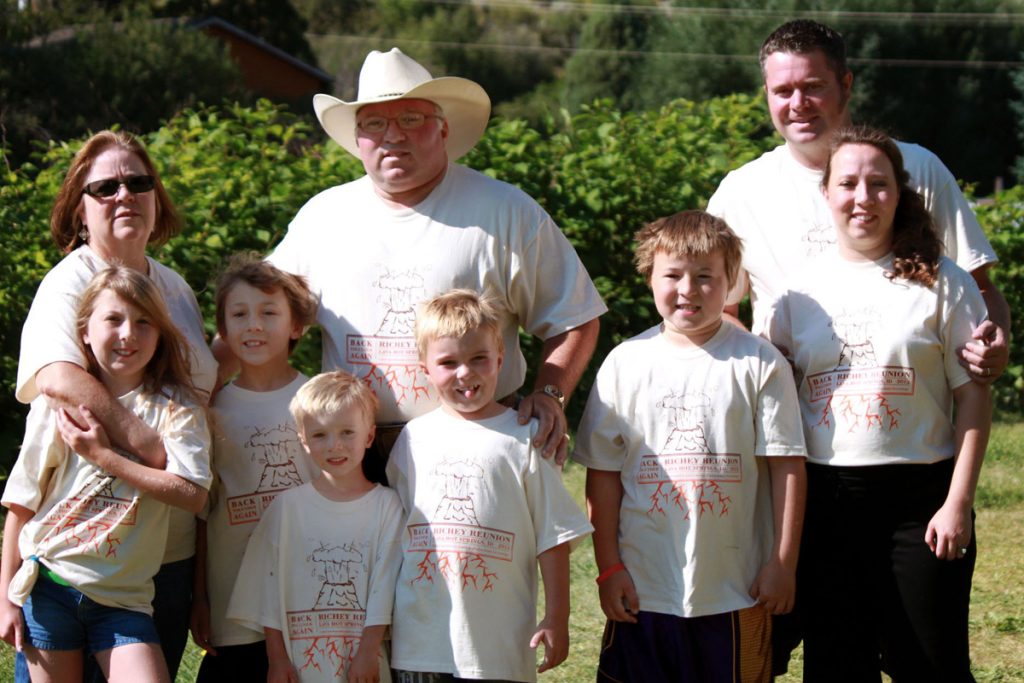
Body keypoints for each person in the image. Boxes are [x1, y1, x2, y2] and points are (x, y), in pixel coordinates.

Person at [261, 47, 606, 478]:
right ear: (357, 137)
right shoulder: (322, 217)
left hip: (481, 440)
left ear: (442, 129)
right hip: (352, 454)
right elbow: (262, 314)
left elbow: (575, 316)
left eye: (410, 119)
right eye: (374, 123)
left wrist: (550, 392)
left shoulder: (505, 211)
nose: (393, 135)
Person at [766, 127, 990, 681]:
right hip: (828, 504)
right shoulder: (794, 296)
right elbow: (774, 412)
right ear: (827, 194)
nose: (863, 197)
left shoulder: (945, 281)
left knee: (930, 666)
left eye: (878, 183)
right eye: (848, 183)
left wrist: (957, 503)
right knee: (838, 666)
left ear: (899, 192)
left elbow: (973, 396)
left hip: (923, 505)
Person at [11, 130, 218, 680]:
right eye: (105, 187)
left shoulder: (173, 288)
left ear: (157, 198)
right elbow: (57, 376)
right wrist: (147, 444)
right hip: (77, 560)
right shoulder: (70, 283)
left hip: (161, 555)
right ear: (80, 210)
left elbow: (193, 386)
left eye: (138, 182)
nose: (124, 195)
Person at [707, 19, 1009, 385]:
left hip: (907, 416)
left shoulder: (918, 168)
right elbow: (720, 311)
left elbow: (979, 289)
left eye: (813, 87)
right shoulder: (741, 192)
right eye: (783, 91)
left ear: (846, 84)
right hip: (786, 414)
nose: (798, 104)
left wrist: (993, 340)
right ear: (766, 94)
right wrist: (757, 353)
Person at [573, 211, 807, 682]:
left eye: (706, 277)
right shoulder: (625, 363)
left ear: (731, 283)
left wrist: (783, 563)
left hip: (735, 590)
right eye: (673, 275)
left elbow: (787, 468)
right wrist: (608, 568)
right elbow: (602, 478)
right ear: (649, 278)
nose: (688, 289)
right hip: (644, 589)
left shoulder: (759, 363)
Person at [0, 266, 212, 683]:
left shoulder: (178, 410)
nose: (128, 334)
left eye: (143, 322)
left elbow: (192, 494)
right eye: (113, 319)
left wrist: (103, 455)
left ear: (160, 334)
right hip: (49, 586)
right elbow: (20, 506)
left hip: (125, 600)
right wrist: (5, 600)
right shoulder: (57, 405)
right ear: (84, 331)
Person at [386, 290, 592, 682]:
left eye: (478, 358)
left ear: (501, 357)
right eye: (448, 362)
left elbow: (554, 537)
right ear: (425, 368)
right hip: (420, 645)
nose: (465, 373)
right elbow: (394, 536)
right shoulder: (412, 441)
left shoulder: (526, 438)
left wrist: (557, 617)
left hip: (498, 649)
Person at [190, 255, 320, 682]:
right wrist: (200, 597)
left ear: (296, 325)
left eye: (269, 313)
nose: (255, 326)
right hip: (234, 602)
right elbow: (205, 512)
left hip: (308, 598)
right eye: (240, 315)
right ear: (223, 332)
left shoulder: (319, 400)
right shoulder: (211, 410)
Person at [227, 371, 404, 683]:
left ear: (369, 436)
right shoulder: (286, 508)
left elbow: (384, 585)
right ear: (303, 441)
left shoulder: (387, 506)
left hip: (364, 662)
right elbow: (268, 590)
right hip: (299, 664)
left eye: (347, 432)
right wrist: (277, 658)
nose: (334, 446)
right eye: (320, 435)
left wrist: (368, 652)